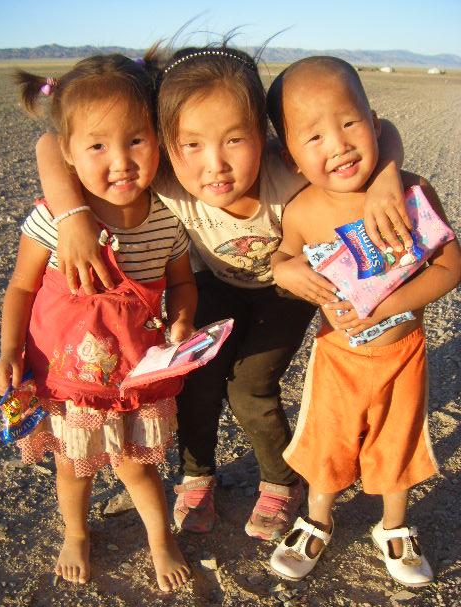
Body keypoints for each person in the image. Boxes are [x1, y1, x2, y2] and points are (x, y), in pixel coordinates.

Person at [35, 43, 411, 542]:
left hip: (286, 292)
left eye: (236, 139)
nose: (216, 165)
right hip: (213, 283)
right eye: (192, 145)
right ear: (167, 144)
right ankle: (196, 476)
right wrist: (72, 215)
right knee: (196, 381)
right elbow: (49, 144)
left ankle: (281, 482)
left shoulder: (287, 170)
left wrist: (387, 179)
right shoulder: (166, 177)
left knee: (250, 386)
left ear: (266, 136)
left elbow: (382, 132)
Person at [0, 53, 197, 592]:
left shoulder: (166, 221)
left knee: (136, 467)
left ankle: (159, 538)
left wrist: (183, 319)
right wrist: (9, 348)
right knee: (71, 469)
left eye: (137, 140)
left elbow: (182, 282)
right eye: (98, 146)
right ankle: (76, 532)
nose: (122, 161)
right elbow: (20, 286)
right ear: (67, 153)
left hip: (132, 378)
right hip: (68, 382)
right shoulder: (53, 218)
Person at [266, 56, 461, 585]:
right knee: (328, 442)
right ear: (293, 158)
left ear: (375, 124)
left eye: (349, 122)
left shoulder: (409, 192)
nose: (339, 144)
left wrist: (392, 304)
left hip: (404, 352)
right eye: (315, 136)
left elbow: (450, 265)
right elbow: (281, 257)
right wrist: (287, 272)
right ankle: (316, 520)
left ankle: (394, 526)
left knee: (397, 441)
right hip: (338, 357)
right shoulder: (304, 211)